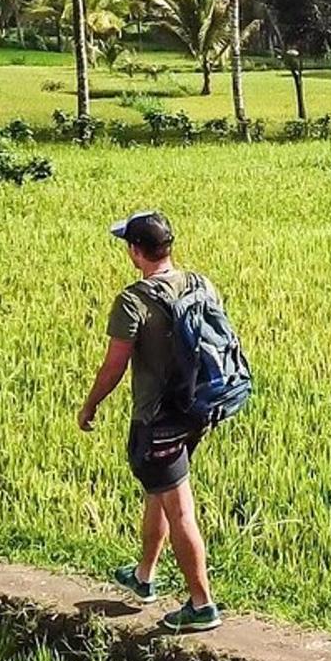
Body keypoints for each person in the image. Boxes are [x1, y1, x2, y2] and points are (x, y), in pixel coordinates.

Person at [77, 211, 222, 632]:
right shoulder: (200, 283)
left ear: (136, 251)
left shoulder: (133, 299)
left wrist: (91, 405)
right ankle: (144, 576)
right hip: (195, 411)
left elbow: (114, 366)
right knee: (159, 491)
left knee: (179, 509)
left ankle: (201, 605)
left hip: (158, 418)